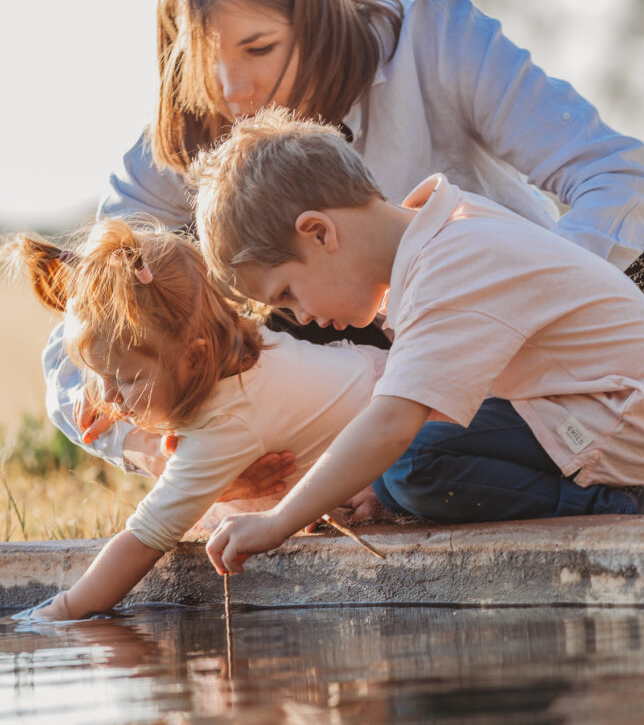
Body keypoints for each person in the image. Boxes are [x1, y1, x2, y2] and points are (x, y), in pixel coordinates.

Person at [42, 0, 644, 484]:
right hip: (352, 358)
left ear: (315, 20)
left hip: (517, 330)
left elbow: (618, 174)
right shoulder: (186, 132)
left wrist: (522, 311)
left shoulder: (434, 37)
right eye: (208, 63)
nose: (234, 90)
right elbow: (80, 330)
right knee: (287, 313)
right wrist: (163, 453)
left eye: (260, 48)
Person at [188, 109, 644, 575]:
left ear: (319, 232)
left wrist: (279, 520)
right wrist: (375, 485)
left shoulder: (452, 265)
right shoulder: (443, 236)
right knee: (396, 473)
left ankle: (627, 508)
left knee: (410, 465)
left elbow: (392, 425)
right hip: (582, 414)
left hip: (622, 425)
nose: (304, 317)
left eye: (289, 294)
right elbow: (445, 406)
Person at [5, 219, 387, 620]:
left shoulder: (227, 425)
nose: (108, 398)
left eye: (127, 379)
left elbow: (144, 538)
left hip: (403, 432)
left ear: (195, 357)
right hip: (373, 377)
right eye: (99, 377)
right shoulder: (242, 343)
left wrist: (55, 613)